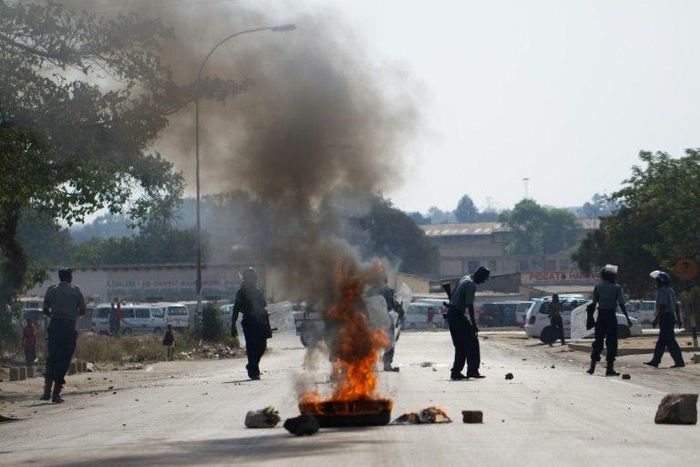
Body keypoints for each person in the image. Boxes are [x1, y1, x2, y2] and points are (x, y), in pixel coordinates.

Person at [42, 268, 87, 403]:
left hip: (55, 325)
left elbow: (45, 310)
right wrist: (73, 316)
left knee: (52, 358)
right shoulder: (75, 291)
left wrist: (54, 315)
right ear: (70, 277)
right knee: (64, 359)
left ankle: (46, 391)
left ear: (60, 277)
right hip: (68, 326)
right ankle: (56, 393)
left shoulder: (51, 290)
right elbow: (83, 309)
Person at [586, 264, 632, 376]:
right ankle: (609, 369)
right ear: (612, 276)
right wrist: (627, 318)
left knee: (598, 342)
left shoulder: (598, 287)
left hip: (601, 316)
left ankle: (592, 367)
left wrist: (590, 317)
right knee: (611, 342)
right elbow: (621, 304)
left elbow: (594, 303)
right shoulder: (617, 288)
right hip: (611, 317)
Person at [446, 266, 490, 380]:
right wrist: (474, 325)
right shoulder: (470, 285)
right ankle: (472, 370)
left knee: (460, 345)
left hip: (452, 314)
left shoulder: (465, 278)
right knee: (472, 341)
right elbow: (470, 305)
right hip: (457, 315)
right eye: (484, 278)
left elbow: (453, 295)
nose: (484, 281)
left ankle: (456, 372)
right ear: (479, 275)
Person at [231, 268, 272, 380]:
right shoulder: (241, 292)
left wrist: (267, 321)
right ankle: (254, 371)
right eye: (251, 277)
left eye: (254, 277)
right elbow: (236, 309)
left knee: (262, 346)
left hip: (260, 321)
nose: (253, 279)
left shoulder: (258, 290)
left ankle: (252, 365)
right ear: (246, 278)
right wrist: (233, 325)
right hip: (249, 321)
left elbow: (264, 306)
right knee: (251, 347)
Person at [644, 271, 685, 368]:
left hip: (665, 317)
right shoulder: (670, 290)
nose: (655, 283)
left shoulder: (662, 291)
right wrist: (678, 318)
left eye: (657, 281)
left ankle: (679, 361)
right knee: (661, 341)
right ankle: (655, 360)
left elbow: (662, 306)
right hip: (670, 316)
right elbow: (676, 305)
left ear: (660, 281)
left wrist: (656, 319)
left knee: (670, 341)